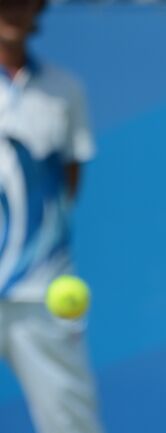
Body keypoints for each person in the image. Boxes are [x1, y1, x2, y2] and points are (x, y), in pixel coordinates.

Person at [0, 1, 104, 432]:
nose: (13, 9)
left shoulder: (65, 89)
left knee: (71, 425)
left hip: (42, 290)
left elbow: (68, 183)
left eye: (24, 0)